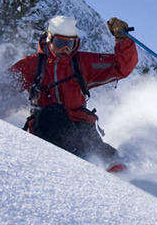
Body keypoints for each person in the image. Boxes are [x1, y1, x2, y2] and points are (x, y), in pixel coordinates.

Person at [11, 15, 137, 170]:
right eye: (60, 43)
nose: (65, 49)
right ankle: (83, 164)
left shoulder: (81, 63)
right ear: (49, 39)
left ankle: (118, 167)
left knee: (92, 142)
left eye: (70, 44)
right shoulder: (32, 65)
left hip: (80, 124)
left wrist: (122, 39)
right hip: (46, 127)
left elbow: (121, 67)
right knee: (53, 115)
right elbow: (5, 84)